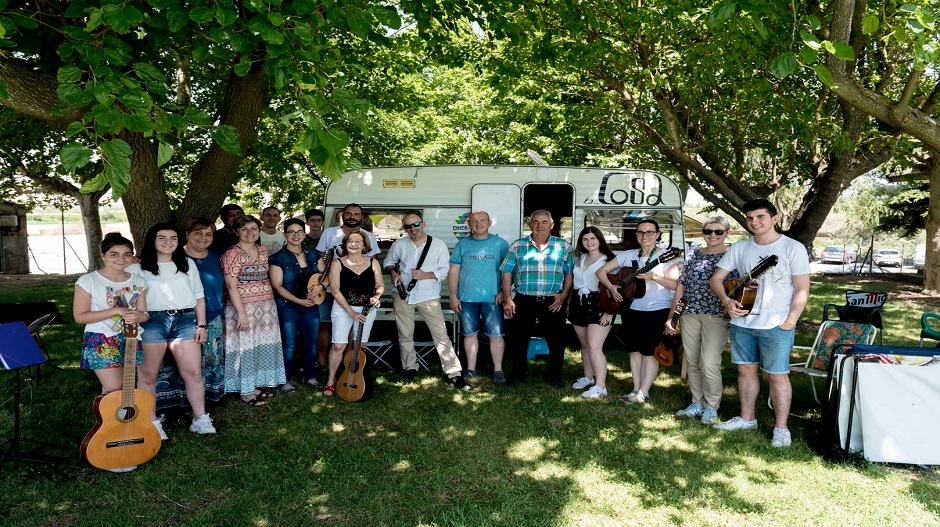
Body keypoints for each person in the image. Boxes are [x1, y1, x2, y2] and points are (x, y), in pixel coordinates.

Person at [710, 199, 810, 448]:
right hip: (742, 322)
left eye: (760, 217)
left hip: (777, 324)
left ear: (774, 218)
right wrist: (725, 300)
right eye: (750, 218)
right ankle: (747, 419)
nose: (754, 222)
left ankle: (781, 428)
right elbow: (716, 279)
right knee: (745, 370)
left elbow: (802, 289)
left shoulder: (792, 247)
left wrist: (790, 322)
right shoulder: (740, 248)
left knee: (776, 376)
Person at [130, 223, 215, 438]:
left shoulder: (186, 263)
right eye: (162, 238)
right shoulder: (137, 268)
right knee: (148, 376)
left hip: (185, 320)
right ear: (152, 240)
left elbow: (199, 296)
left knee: (193, 373)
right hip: (151, 321)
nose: (168, 242)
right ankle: (152, 422)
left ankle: (200, 418)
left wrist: (202, 325)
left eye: (173, 238)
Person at [73, 233, 150, 472]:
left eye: (126, 254)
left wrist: (137, 316)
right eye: (114, 254)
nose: (121, 258)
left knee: (126, 392)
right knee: (113, 392)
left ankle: (127, 440)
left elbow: (144, 313)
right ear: (103, 255)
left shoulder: (138, 281)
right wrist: (115, 311)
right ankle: (110, 442)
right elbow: (80, 316)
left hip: (129, 338)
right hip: (101, 339)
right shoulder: (89, 281)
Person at [597, 219, 680, 403]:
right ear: (636, 235)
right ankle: (635, 389)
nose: (645, 236)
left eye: (650, 232)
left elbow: (674, 283)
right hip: (631, 308)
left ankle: (644, 391)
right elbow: (601, 272)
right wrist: (611, 287)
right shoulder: (628, 254)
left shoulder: (666, 257)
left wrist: (654, 276)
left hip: (656, 310)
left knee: (649, 352)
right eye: (641, 232)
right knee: (634, 351)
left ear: (658, 235)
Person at [385, 212, 470, 390]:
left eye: (415, 224)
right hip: (403, 295)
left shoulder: (438, 245)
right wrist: (393, 274)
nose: (412, 229)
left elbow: (445, 270)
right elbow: (388, 262)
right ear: (404, 229)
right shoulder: (399, 244)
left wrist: (426, 275)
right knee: (405, 334)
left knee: (441, 335)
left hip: (429, 296)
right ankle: (410, 368)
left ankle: (453, 373)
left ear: (423, 224)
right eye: (408, 226)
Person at [667, 217, 736, 424]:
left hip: (718, 315)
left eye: (718, 231)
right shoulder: (694, 255)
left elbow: (740, 287)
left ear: (727, 233)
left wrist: (735, 313)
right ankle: (697, 402)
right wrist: (673, 316)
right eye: (708, 231)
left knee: (709, 362)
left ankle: (712, 406)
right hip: (689, 314)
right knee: (693, 361)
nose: (712, 235)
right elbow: (681, 286)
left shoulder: (733, 255)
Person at [499, 210, 573, 388]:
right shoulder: (517, 245)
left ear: (552, 225)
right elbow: (506, 272)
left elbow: (569, 273)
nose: (540, 225)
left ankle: (554, 376)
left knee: (556, 341)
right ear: (530, 224)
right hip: (524, 300)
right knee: (519, 339)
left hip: (553, 300)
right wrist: (508, 298)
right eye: (536, 222)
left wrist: (563, 296)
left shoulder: (563, 246)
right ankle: (518, 373)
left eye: (544, 222)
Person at [221, 215, 287, 406]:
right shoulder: (232, 253)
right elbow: (231, 286)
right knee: (244, 347)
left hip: (266, 307)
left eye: (253, 228)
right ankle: (245, 390)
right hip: (242, 307)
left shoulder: (263, 250)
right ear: (236, 232)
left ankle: (255, 384)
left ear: (259, 230)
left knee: (260, 345)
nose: (250, 233)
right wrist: (241, 313)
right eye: (244, 229)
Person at [315, 203, 379, 383]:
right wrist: (322, 282)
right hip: (330, 290)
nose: (352, 216)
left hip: (360, 295)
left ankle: (347, 367)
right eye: (349, 213)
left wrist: (374, 293)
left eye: (356, 214)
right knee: (326, 327)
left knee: (354, 337)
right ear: (343, 215)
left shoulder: (369, 237)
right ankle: (322, 363)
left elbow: (372, 263)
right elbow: (320, 258)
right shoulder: (329, 233)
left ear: (361, 217)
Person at [448, 211, 509, 383]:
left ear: (489, 223)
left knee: (496, 335)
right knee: (469, 334)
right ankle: (470, 369)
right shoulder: (462, 244)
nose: (478, 224)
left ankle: (498, 371)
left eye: (482, 220)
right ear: (469, 224)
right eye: (474, 221)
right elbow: (454, 271)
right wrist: (453, 296)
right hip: (466, 298)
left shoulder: (500, 243)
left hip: (492, 298)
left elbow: (509, 270)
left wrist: (505, 292)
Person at [323, 229, 384, 396]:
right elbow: (335, 291)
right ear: (345, 244)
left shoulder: (373, 263)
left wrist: (376, 296)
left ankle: (353, 377)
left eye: (358, 241)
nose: (354, 244)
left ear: (364, 245)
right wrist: (351, 313)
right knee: (339, 345)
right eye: (350, 241)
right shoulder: (338, 263)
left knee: (359, 346)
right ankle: (330, 380)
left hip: (366, 310)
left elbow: (380, 286)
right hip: (343, 308)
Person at [269, 218, 322, 392]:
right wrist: (299, 301)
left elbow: (325, 275)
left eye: (299, 231)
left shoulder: (313, 254)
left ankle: (311, 376)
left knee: (311, 342)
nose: (296, 235)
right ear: (285, 234)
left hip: (311, 305)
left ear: (305, 234)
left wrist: (321, 286)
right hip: (288, 306)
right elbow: (277, 286)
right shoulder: (278, 258)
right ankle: (285, 380)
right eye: (291, 232)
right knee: (289, 343)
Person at [568, 226, 616, 398]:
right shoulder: (579, 257)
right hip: (578, 303)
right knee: (585, 345)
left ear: (600, 239)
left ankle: (601, 386)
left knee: (595, 346)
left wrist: (609, 311)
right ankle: (588, 377)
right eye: (585, 239)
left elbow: (617, 289)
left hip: (600, 303)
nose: (589, 242)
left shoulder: (609, 260)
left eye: (593, 239)